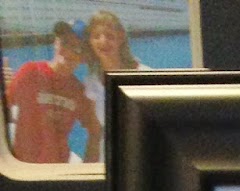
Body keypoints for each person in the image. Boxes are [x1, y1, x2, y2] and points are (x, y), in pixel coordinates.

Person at [5, 21, 101, 165]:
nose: (68, 51)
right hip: (24, 169)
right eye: (65, 43)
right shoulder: (30, 72)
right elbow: (5, 107)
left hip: (57, 170)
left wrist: (87, 171)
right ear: (55, 43)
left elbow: (95, 132)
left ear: (84, 57)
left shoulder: (78, 91)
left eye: (77, 48)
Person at [81, 11, 141, 160]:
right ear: (90, 42)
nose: (103, 41)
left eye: (109, 35)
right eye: (96, 36)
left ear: (120, 37)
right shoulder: (91, 83)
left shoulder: (142, 75)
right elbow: (94, 134)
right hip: (108, 160)